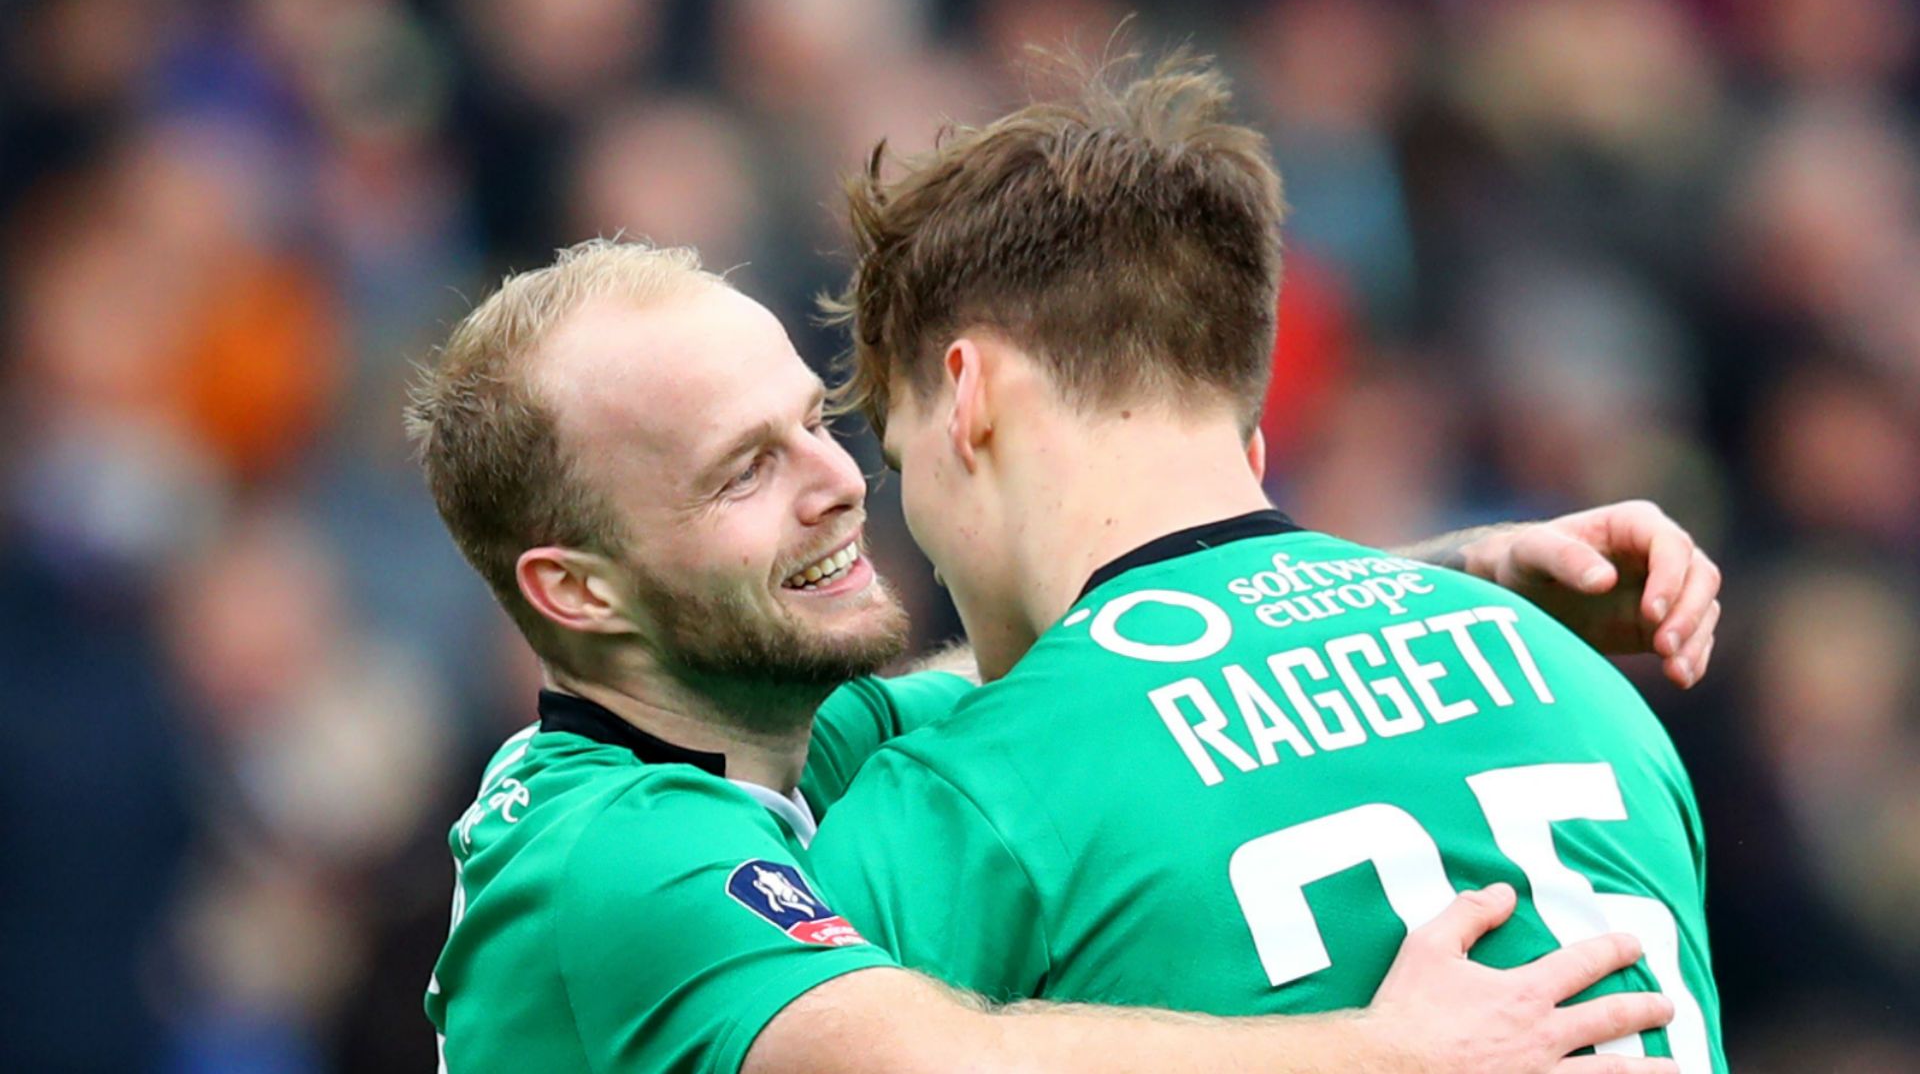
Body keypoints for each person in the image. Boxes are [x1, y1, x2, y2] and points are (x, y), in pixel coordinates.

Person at [407, 239, 1709, 1073]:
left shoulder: (805, 738)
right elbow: (928, 1061)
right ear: (575, 590)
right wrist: (1378, 1051)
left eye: (814, 421)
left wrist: (1454, 574)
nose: (840, 481)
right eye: (745, 470)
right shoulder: (608, 853)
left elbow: (1093, 695)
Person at [805, 53, 1725, 1071]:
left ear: (967, 394)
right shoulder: (1587, 690)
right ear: (1245, 435)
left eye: (901, 459)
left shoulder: (960, 802)